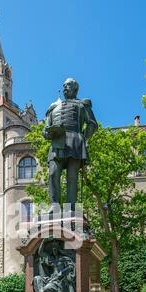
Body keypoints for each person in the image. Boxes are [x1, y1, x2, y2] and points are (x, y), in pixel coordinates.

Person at [43, 78, 98, 212]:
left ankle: (71, 208)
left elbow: (92, 124)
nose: (65, 88)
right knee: (53, 173)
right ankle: (54, 205)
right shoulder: (53, 107)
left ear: (75, 88)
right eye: (64, 86)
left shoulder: (82, 105)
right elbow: (45, 129)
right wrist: (49, 133)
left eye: (68, 85)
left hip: (75, 144)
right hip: (57, 144)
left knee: (72, 178)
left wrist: (83, 138)